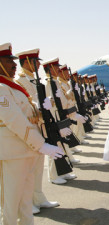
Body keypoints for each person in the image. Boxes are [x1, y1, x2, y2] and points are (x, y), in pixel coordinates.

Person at [0, 43, 64, 224]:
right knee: (11, 202)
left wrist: (40, 107)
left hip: (26, 150)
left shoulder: (12, 87)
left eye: (13, 62)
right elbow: (16, 121)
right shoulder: (1, 88)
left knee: (26, 200)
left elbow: (28, 112)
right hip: (13, 152)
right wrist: (41, 144)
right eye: (8, 61)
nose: (14, 66)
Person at [15, 48, 60, 214]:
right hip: (28, 129)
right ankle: (27, 202)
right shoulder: (20, 81)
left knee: (38, 167)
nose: (39, 65)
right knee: (27, 170)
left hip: (39, 128)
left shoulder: (34, 80)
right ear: (26, 62)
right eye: (36, 62)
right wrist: (40, 106)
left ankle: (38, 197)